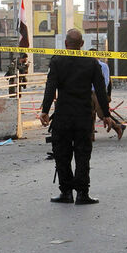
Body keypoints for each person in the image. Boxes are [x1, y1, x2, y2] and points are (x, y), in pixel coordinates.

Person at [39, 28, 111, 205]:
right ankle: (82, 194)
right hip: (84, 116)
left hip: (63, 115)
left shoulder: (56, 61)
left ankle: (66, 193)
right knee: (82, 155)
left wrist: (45, 111)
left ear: (65, 44)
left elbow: (50, 87)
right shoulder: (92, 63)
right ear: (82, 44)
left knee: (62, 155)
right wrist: (107, 115)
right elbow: (101, 91)